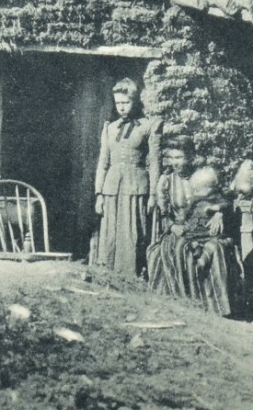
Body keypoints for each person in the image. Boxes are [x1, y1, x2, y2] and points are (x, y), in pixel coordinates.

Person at [92, 78, 160, 277]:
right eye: (118, 103)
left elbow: (154, 162)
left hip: (135, 186)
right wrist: (99, 194)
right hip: (112, 187)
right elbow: (103, 162)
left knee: (132, 232)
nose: (121, 107)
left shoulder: (148, 126)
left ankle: (132, 275)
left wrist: (153, 194)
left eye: (126, 102)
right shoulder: (110, 128)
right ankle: (108, 274)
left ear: (135, 101)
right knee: (111, 232)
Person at [182, 167, 240, 317]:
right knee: (190, 243)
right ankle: (196, 251)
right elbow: (186, 213)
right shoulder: (195, 200)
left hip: (210, 235)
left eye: (202, 190)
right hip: (196, 233)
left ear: (211, 189)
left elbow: (226, 204)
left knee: (212, 245)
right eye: (196, 190)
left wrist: (216, 209)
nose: (198, 193)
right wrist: (183, 221)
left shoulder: (217, 198)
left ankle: (204, 258)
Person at [148, 137, 195, 296]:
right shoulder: (166, 180)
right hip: (176, 230)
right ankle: (181, 295)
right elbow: (163, 214)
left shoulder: (200, 176)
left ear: (190, 157)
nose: (175, 163)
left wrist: (218, 214)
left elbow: (214, 199)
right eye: (172, 158)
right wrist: (173, 226)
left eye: (179, 157)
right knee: (176, 248)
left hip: (199, 228)